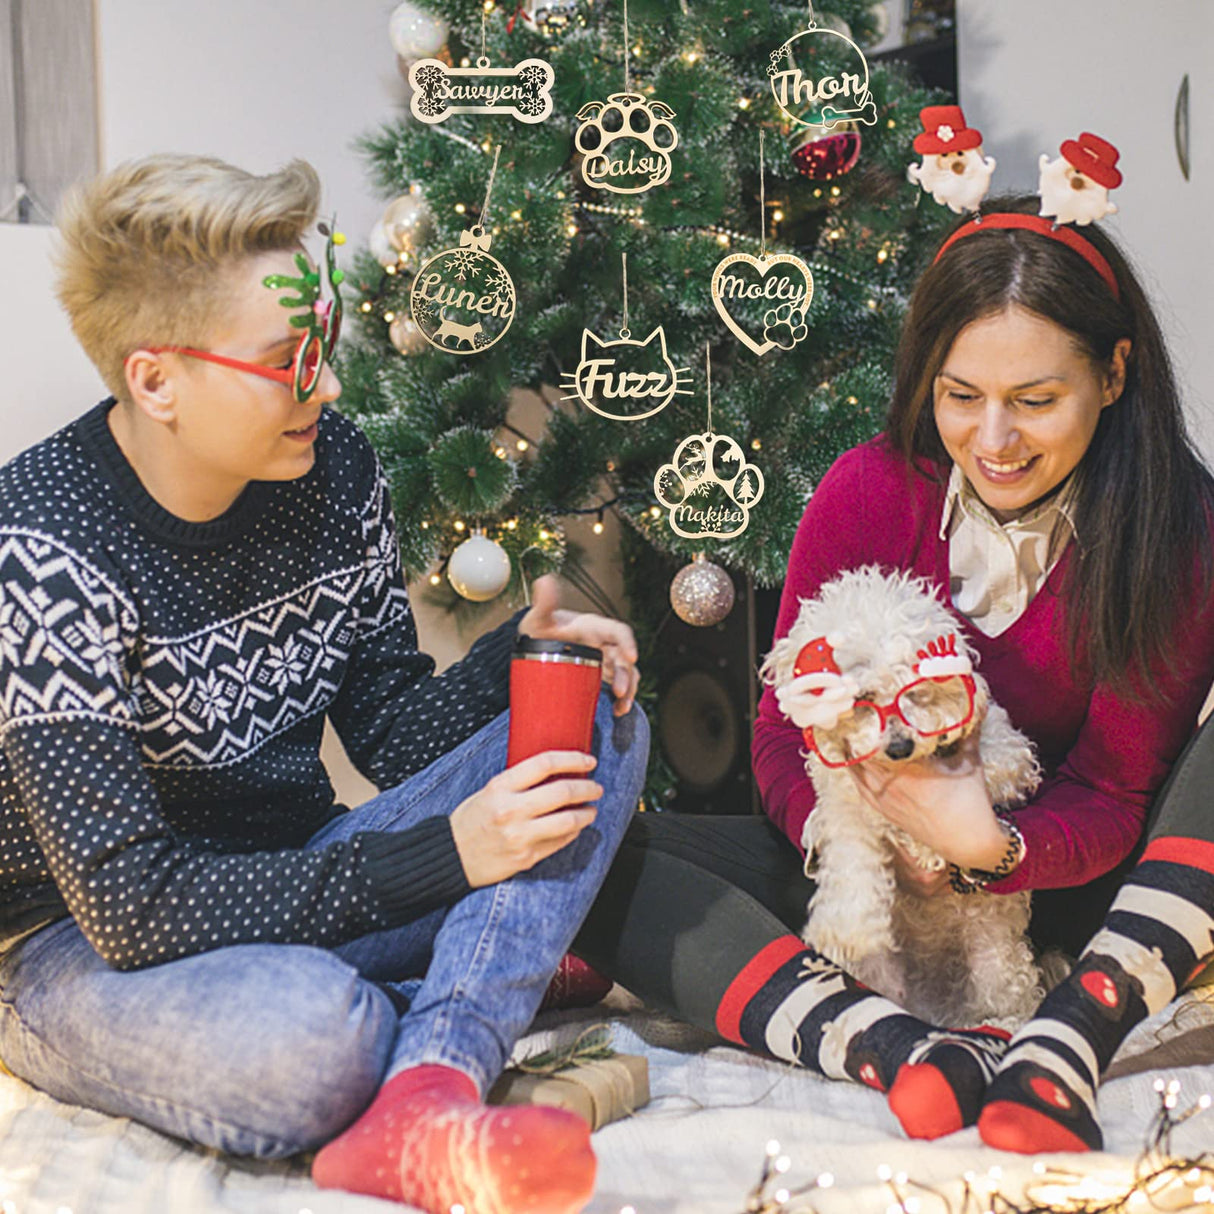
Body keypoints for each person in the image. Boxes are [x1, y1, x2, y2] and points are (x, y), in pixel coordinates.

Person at [0, 154, 649, 1214]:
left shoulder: (333, 468)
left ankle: (432, 1084)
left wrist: (520, 657)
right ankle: (462, 986)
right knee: (312, 1040)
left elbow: (390, 735)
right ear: (156, 380)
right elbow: (131, 904)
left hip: (300, 867)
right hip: (75, 944)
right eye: (288, 360)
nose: (330, 386)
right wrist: (449, 858)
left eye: (327, 345)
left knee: (600, 714)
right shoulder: (41, 548)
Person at [574, 191, 1214, 1152]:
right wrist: (865, 842)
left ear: (1115, 373)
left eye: (1035, 401)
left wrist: (987, 849)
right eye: (961, 396)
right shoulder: (869, 490)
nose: (993, 440)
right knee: (586, 857)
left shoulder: (1180, 529)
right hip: (866, 868)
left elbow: (1115, 793)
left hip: (1074, 889)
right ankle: (896, 1046)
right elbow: (782, 730)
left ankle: (1068, 1036)